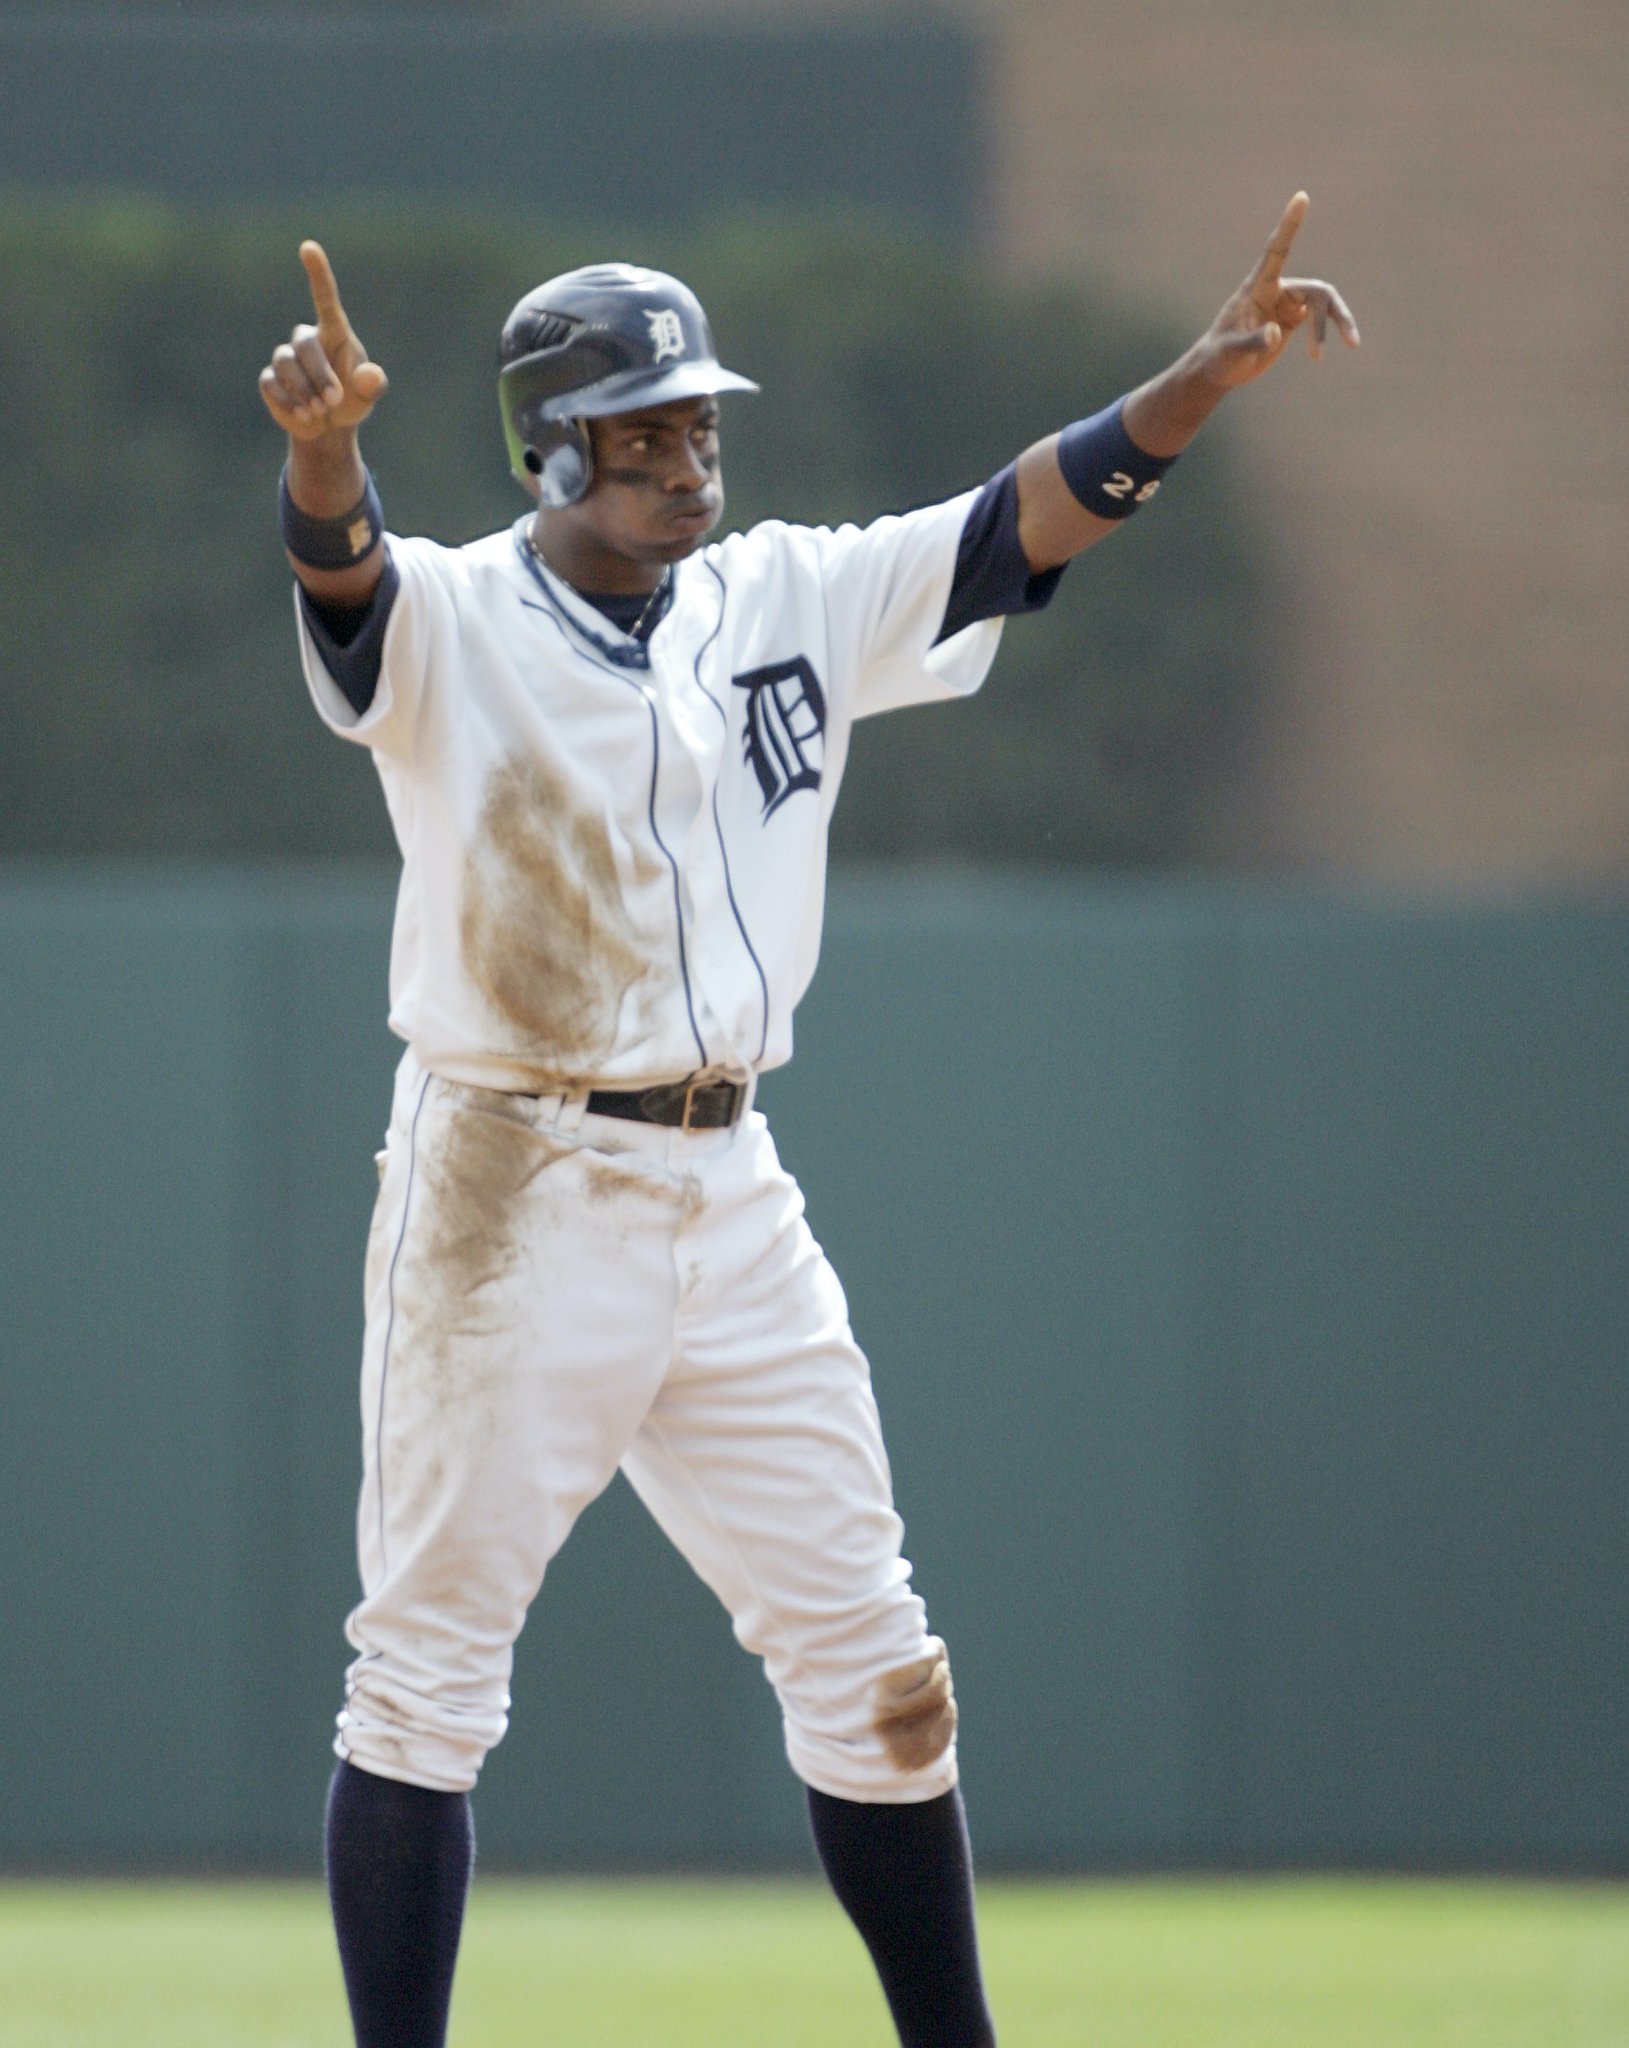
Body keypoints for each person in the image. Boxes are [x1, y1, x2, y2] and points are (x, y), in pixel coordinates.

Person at [258, 195, 1356, 2048]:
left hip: (728, 1184)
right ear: (550, 448)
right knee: (425, 1687)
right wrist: (321, 457)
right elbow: (344, 585)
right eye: (643, 431)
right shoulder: (454, 614)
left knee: (877, 1670)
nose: (689, 455)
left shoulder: (785, 594)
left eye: (699, 421)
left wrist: (1197, 381)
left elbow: (1016, 524)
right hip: (510, 1186)